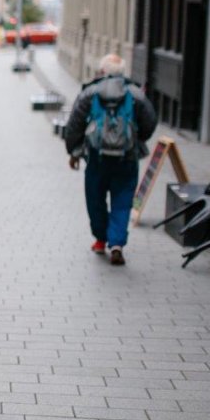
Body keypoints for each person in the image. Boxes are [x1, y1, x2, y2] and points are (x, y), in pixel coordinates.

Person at [64, 53, 157, 266]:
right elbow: (150, 122)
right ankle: (116, 244)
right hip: (126, 158)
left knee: (95, 198)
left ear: (102, 71)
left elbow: (75, 124)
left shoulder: (90, 93)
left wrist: (73, 152)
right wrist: (137, 138)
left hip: (97, 157)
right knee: (122, 201)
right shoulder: (135, 94)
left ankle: (100, 240)